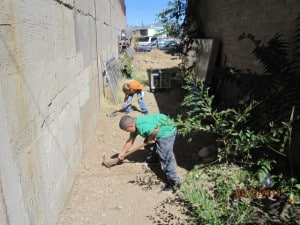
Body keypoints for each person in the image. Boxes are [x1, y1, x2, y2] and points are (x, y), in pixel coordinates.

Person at [118, 114, 180, 193]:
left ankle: (174, 182)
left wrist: (151, 138)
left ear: (131, 126)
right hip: (160, 124)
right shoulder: (134, 124)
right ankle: (154, 160)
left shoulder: (142, 127)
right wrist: (122, 153)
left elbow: (156, 129)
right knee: (149, 145)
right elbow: (130, 141)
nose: (127, 132)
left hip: (166, 131)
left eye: (127, 130)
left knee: (166, 156)